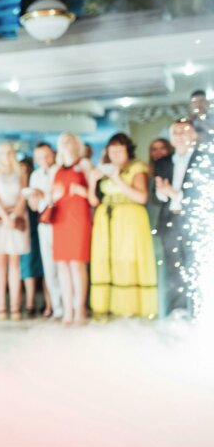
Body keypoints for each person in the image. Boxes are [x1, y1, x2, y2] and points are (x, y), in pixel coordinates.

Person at [89, 133, 157, 318]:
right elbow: (94, 201)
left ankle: (130, 308)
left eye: (120, 150)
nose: (116, 154)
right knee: (107, 260)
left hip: (130, 219)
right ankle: (107, 306)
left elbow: (141, 197)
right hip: (106, 219)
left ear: (128, 150)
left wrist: (117, 178)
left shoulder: (136, 168)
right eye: (112, 151)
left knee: (127, 259)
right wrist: (92, 180)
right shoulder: (104, 170)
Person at [154, 119, 200, 317]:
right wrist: (163, 193)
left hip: (195, 221)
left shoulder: (204, 159)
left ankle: (198, 309)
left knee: (195, 265)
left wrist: (176, 194)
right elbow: (157, 197)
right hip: (170, 220)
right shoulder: (163, 162)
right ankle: (178, 310)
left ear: (194, 135)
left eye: (184, 131)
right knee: (174, 268)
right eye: (175, 132)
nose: (179, 135)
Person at [51, 132, 92, 325]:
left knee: (77, 263)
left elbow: (94, 195)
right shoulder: (56, 169)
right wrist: (54, 196)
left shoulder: (84, 165)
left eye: (69, 140)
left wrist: (81, 191)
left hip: (79, 217)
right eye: (62, 141)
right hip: (60, 217)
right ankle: (67, 309)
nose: (66, 144)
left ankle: (79, 309)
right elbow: (50, 195)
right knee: (62, 264)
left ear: (76, 144)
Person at [0, 142, 30, 320]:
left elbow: (23, 196)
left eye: (9, 152)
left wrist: (14, 216)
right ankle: (1, 305)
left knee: (15, 262)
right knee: (0, 261)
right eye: (2, 152)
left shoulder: (21, 172)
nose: (6, 155)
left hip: (17, 216)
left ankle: (15, 305)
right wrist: (5, 217)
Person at [27, 142, 61, 319]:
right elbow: (33, 206)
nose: (44, 160)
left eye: (47, 156)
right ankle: (56, 306)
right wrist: (36, 197)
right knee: (49, 267)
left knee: (63, 265)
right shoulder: (35, 175)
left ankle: (68, 303)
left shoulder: (60, 171)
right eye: (40, 157)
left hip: (61, 222)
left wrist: (46, 196)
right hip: (44, 222)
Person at [19, 157, 43, 316]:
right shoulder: (16, 186)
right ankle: (30, 301)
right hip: (23, 226)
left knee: (41, 263)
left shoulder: (37, 182)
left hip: (38, 223)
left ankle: (47, 302)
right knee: (26, 263)